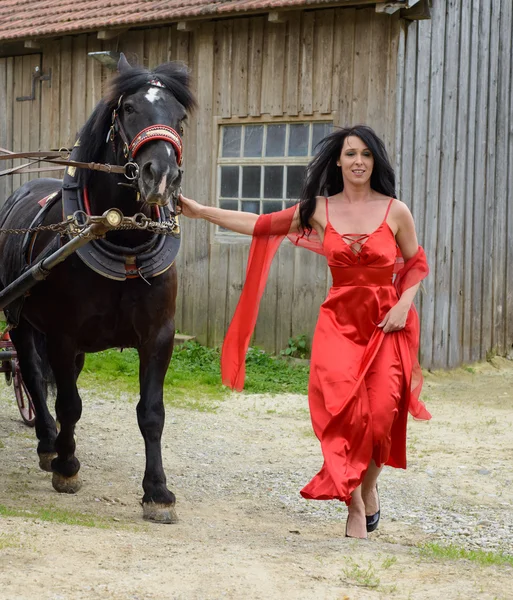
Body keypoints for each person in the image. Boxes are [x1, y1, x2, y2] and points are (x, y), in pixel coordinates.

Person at [178, 125, 430, 539]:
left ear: (375, 162)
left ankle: (368, 488)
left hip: (385, 323)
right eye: (351, 154)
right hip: (339, 324)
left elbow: (416, 263)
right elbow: (261, 224)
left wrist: (404, 303)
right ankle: (351, 505)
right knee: (342, 413)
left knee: (382, 417)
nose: (358, 161)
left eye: (366, 154)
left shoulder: (396, 210)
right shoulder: (318, 209)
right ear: (338, 161)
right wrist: (203, 211)